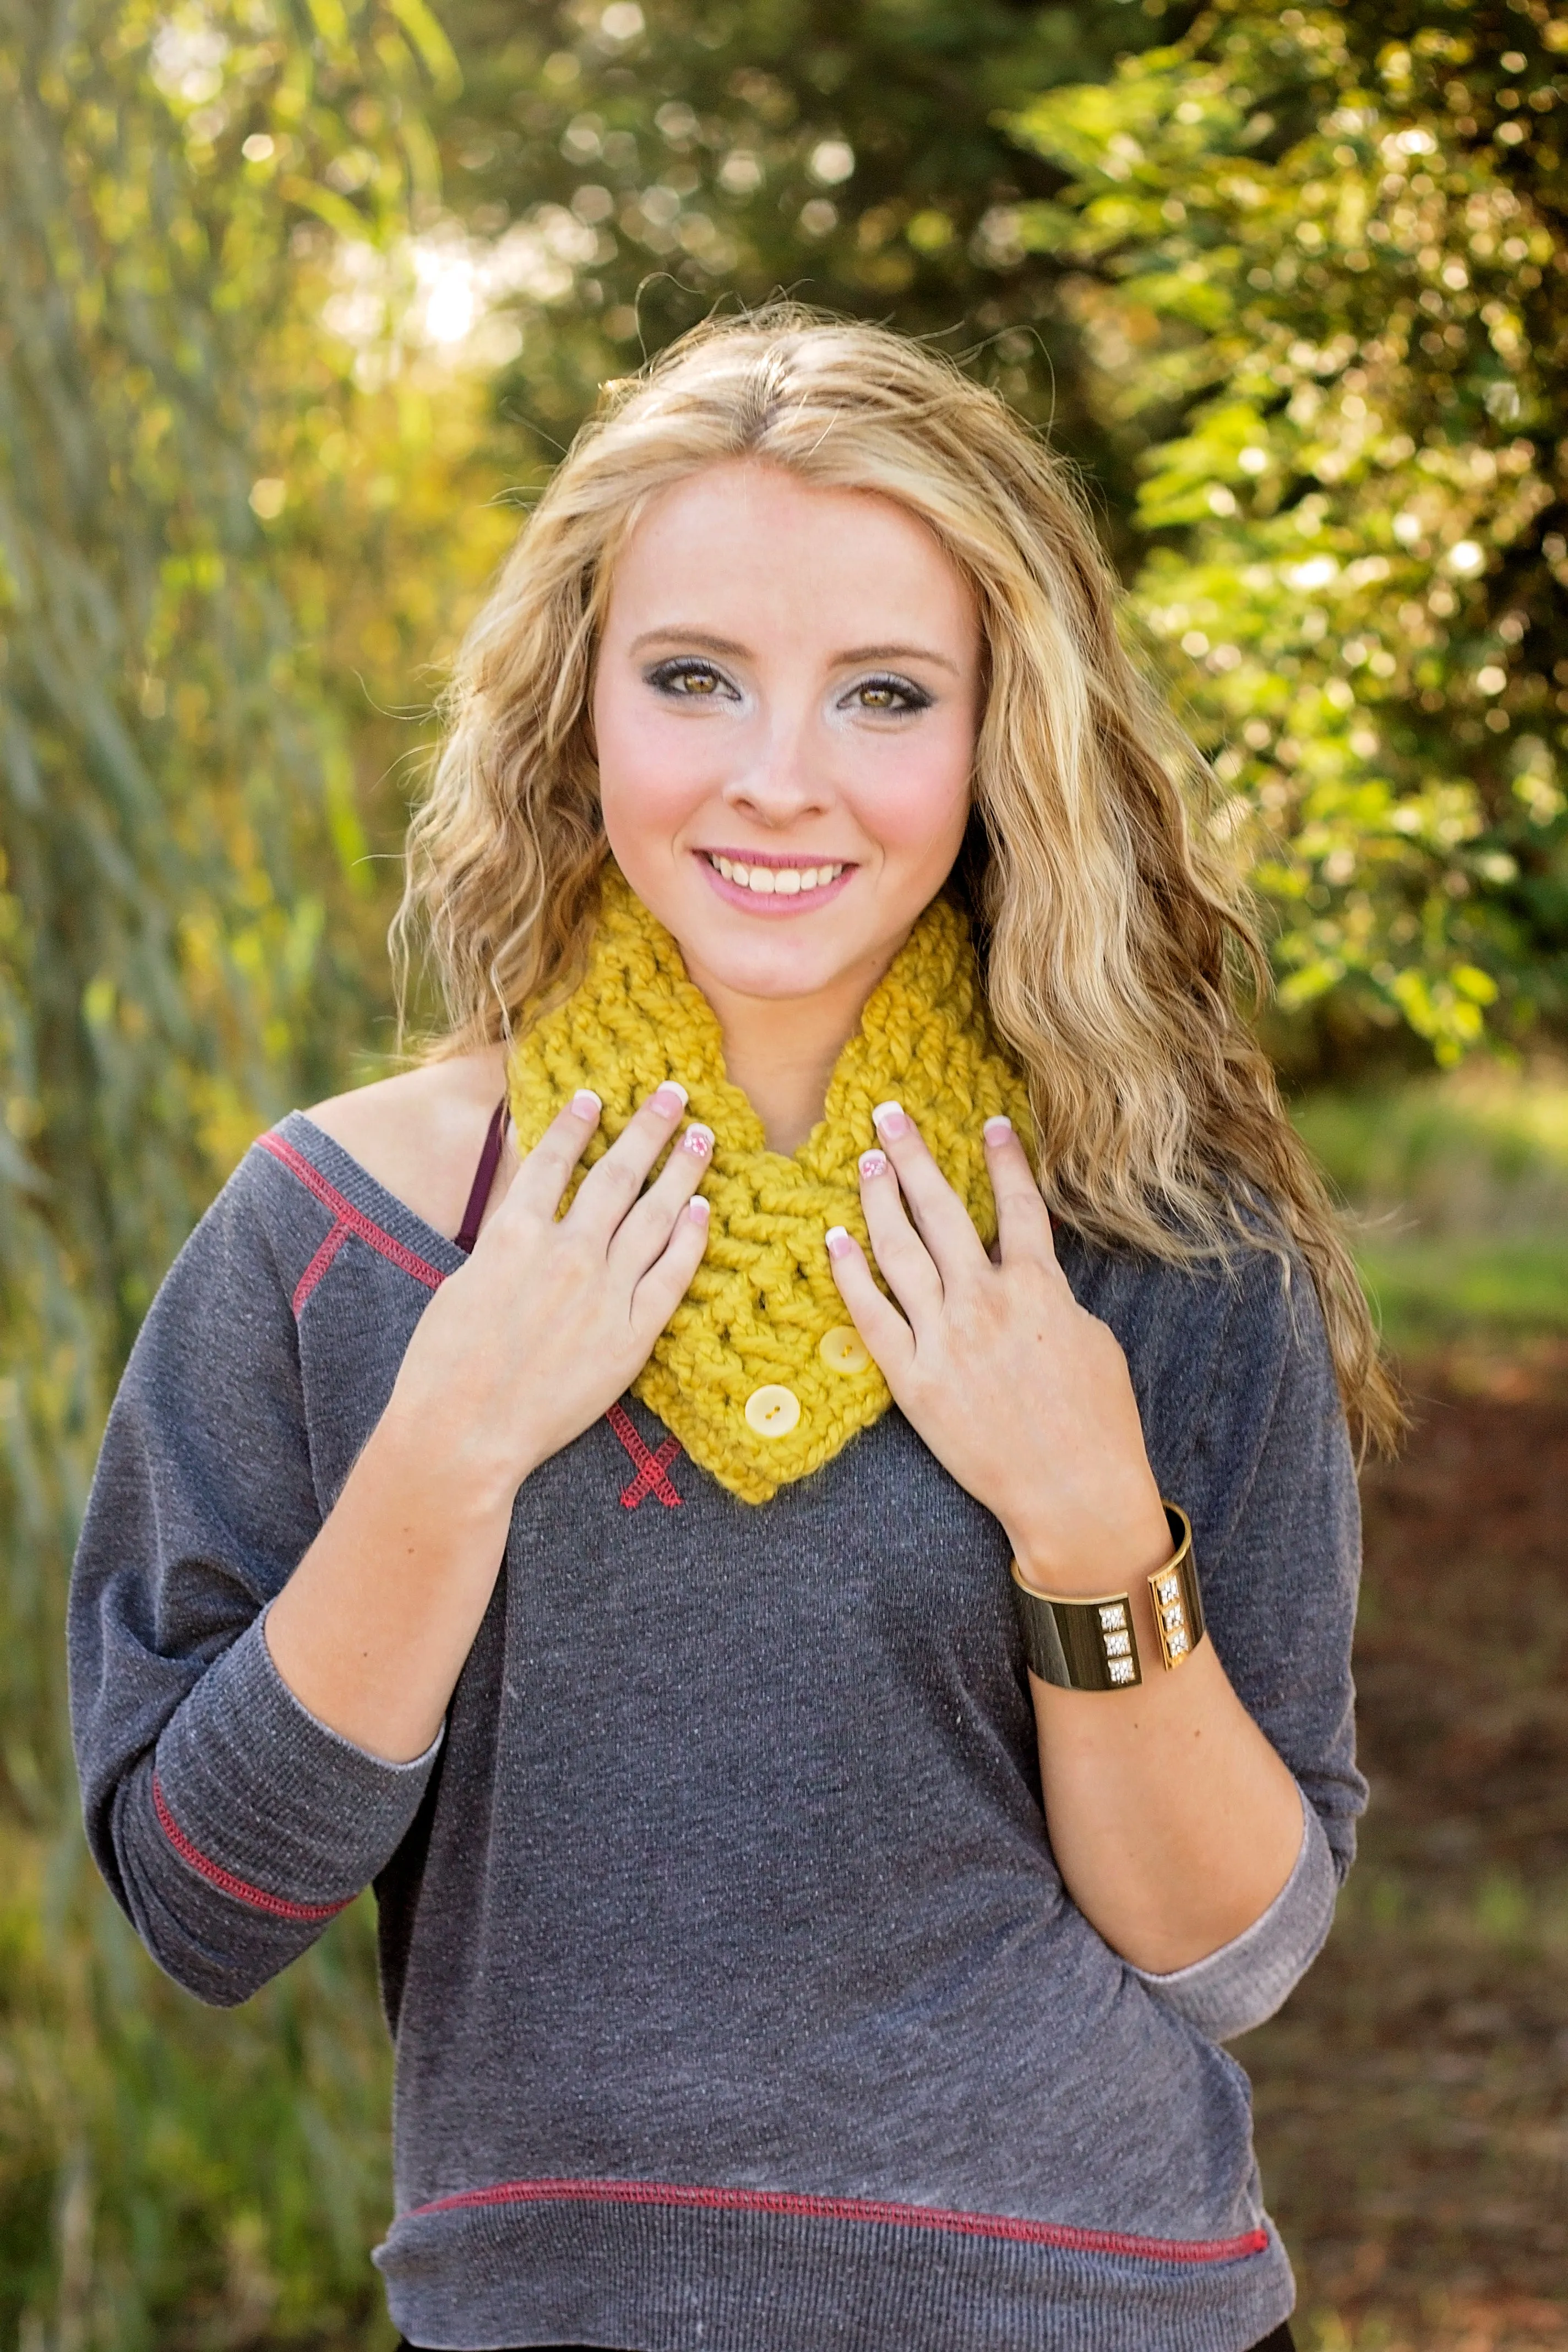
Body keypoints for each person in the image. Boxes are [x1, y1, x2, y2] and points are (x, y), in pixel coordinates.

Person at [69, 308, 1396, 2352]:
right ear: (578, 706)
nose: (782, 780)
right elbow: (208, 1908)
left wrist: (1088, 1522)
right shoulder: (339, 1233)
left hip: (1108, 2310)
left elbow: (1232, 1950)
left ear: (999, 734)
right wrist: (448, 1448)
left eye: (886, 693)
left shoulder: (1159, 1245)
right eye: (695, 678)